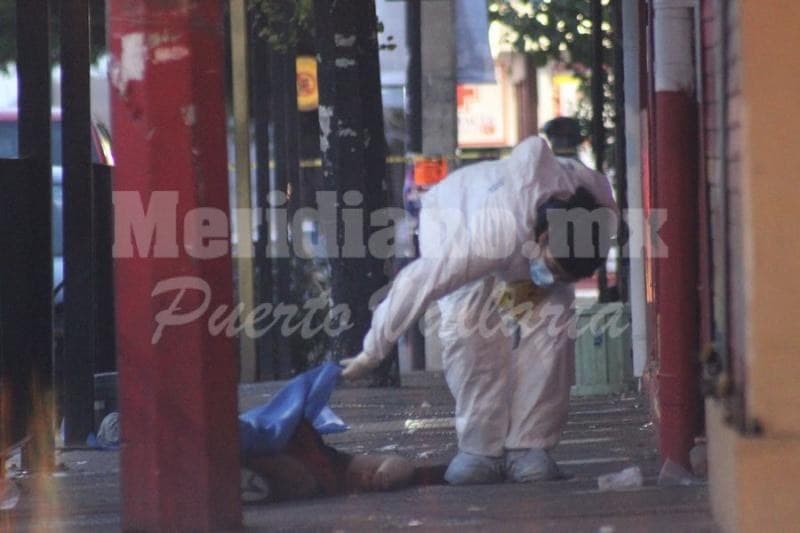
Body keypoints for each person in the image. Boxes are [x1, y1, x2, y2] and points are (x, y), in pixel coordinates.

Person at [340, 133, 618, 485]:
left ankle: (528, 447)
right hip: (454, 217)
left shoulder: (598, 206)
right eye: (551, 266)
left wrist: (547, 278)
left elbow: (561, 267)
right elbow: (421, 280)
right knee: (469, 326)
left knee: (552, 326)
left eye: (561, 274)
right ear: (545, 237)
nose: (548, 277)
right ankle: (479, 449)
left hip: (519, 240)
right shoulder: (496, 230)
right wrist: (373, 350)